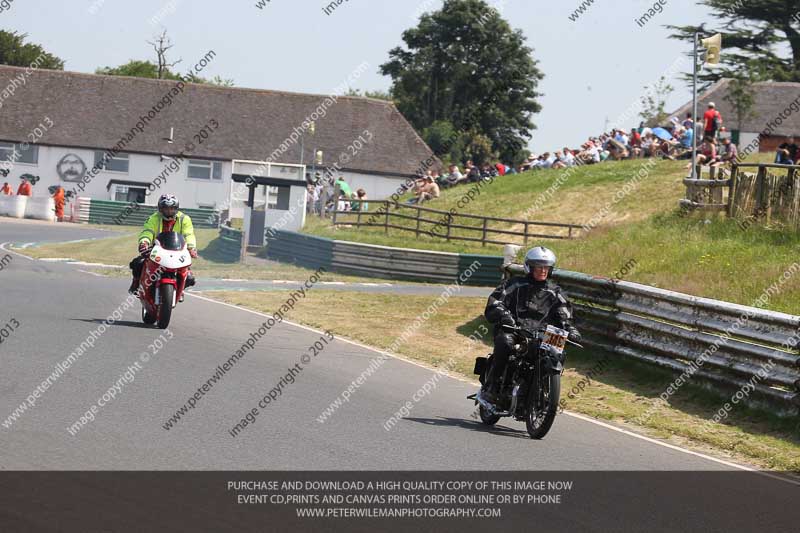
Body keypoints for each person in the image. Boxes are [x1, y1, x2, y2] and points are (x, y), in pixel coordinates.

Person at [480, 247, 581, 404]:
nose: (543, 270)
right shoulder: (514, 284)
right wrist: (506, 317)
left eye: (546, 267)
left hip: (542, 334)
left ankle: (544, 388)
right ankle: (492, 386)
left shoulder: (556, 292)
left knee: (558, 353)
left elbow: (564, 314)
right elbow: (495, 303)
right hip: (515, 330)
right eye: (539, 266)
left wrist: (570, 329)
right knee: (506, 343)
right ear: (529, 266)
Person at [128, 194, 197, 296]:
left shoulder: (184, 219)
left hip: (178, 251)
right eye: (166, 208)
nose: (169, 211)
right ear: (160, 209)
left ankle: (180, 289)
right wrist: (144, 242)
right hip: (157, 249)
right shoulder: (153, 218)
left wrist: (191, 248)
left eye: (172, 208)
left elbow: (189, 234)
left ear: (176, 209)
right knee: (138, 263)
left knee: (190, 278)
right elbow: (148, 231)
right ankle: (136, 283)